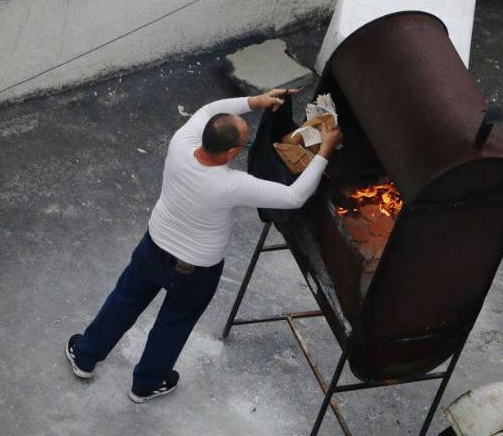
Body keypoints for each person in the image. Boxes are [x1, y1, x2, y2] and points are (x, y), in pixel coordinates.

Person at [65, 89, 342, 403]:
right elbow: (294, 197)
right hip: (196, 272)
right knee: (173, 325)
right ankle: (145, 385)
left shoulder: (181, 144)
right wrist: (324, 150)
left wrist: (255, 101)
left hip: (152, 249)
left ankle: (85, 357)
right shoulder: (231, 185)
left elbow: (209, 109)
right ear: (230, 153)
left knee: (124, 302)